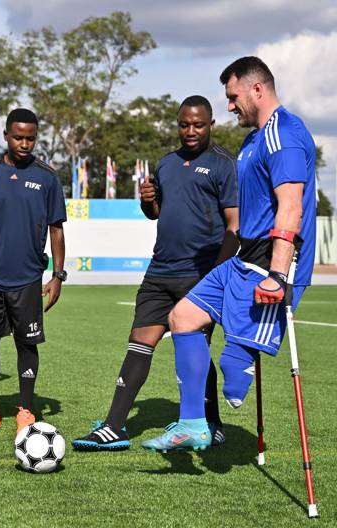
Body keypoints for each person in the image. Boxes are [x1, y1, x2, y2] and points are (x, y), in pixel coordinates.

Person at [142, 56, 316, 452]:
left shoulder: (282, 134)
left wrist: (277, 274)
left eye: (233, 96)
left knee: (233, 368)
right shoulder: (255, 138)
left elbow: (291, 205)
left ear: (257, 89)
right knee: (182, 317)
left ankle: (237, 365)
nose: (230, 105)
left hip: (269, 260)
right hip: (242, 257)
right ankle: (192, 425)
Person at [72, 96, 239, 451]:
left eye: (198, 124)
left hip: (200, 275)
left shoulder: (225, 165)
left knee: (195, 348)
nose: (190, 131)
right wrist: (149, 200)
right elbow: (157, 213)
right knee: (138, 341)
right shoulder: (166, 164)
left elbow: (234, 226)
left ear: (211, 125)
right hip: (160, 270)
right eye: (184, 124)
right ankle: (115, 427)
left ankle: (210, 423)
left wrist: (216, 276)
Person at [0, 108, 67, 435]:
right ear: (6, 135)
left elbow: (56, 230)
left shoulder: (47, 177)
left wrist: (58, 275)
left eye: (30, 138)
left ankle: (26, 409)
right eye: (18, 137)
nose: (24, 143)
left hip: (28, 279)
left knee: (26, 344)